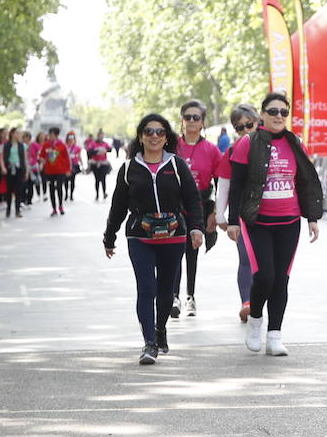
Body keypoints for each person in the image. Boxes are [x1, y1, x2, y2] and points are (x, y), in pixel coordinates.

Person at [225, 92, 323, 356]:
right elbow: (236, 185)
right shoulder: (248, 143)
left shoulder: (295, 143)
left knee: (281, 279)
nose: (279, 116)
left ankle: (275, 335)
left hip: (289, 221)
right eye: (273, 111)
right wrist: (232, 221)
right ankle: (256, 321)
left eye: (283, 112)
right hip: (257, 221)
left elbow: (305, 182)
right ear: (262, 115)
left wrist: (312, 217)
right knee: (265, 275)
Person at [103, 114, 205, 364]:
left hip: (173, 235)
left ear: (167, 137)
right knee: (146, 289)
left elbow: (193, 199)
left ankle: (160, 328)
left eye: (160, 132)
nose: (154, 136)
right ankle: (149, 343)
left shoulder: (176, 165)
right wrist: (109, 237)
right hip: (140, 237)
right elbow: (118, 206)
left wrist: (196, 228)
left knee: (166, 291)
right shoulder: (128, 168)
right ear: (140, 136)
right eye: (149, 132)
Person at [173, 100, 225, 318]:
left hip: (199, 206)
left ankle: (190, 296)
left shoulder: (211, 150)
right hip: (173, 206)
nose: (192, 121)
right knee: (173, 252)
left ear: (203, 122)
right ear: (181, 121)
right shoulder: (171, 146)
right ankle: (173, 296)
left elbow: (221, 182)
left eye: (196, 117)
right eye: (188, 117)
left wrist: (216, 212)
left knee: (191, 251)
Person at [215, 104, 258, 327]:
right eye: (240, 128)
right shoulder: (231, 152)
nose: (245, 131)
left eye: (249, 125)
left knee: (266, 265)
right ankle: (247, 303)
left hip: (270, 215)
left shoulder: (273, 147)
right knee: (246, 258)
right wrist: (220, 215)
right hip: (241, 215)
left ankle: (260, 302)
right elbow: (224, 185)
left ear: (258, 122)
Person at [40, 127, 72, 215]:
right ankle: (54, 208)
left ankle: (60, 206)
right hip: (49, 171)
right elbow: (41, 156)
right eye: (49, 134)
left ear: (56, 135)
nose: (49, 136)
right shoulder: (46, 145)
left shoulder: (62, 145)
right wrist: (42, 160)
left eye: (51, 134)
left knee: (59, 187)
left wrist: (68, 170)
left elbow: (66, 158)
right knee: (51, 189)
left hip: (60, 171)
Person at [2, 129, 29, 218]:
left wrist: (27, 171)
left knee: (19, 190)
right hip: (10, 168)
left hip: (19, 169)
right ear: (12, 134)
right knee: (9, 190)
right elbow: (1, 157)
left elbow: (25, 159)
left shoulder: (22, 146)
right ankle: (8, 209)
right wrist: (3, 167)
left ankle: (17, 210)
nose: (18, 135)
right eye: (17, 133)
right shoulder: (6, 145)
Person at [86, 130, 113, 200]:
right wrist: (97, 151)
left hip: (103, 163)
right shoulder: (93, 143)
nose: (101, 137)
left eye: (102, 136)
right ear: (97, 136)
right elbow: (89, 151)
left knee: (103, 178)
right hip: (95, 163)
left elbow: (110, 149)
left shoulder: (105, 143)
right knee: (97, 179)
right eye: (100, 135)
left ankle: (104, 193)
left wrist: (106, 150)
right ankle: (97, 194)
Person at [66, 130, 85, 200]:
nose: (71, 141)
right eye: (69, 139)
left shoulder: (77, 148)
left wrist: (82, 165)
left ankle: (71, 195)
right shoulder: (65, 147)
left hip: (74, 166)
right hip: (66, 166)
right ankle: (66, 194)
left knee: (72, 181)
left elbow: (79, 157)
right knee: (66, 181)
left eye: (72, 139)